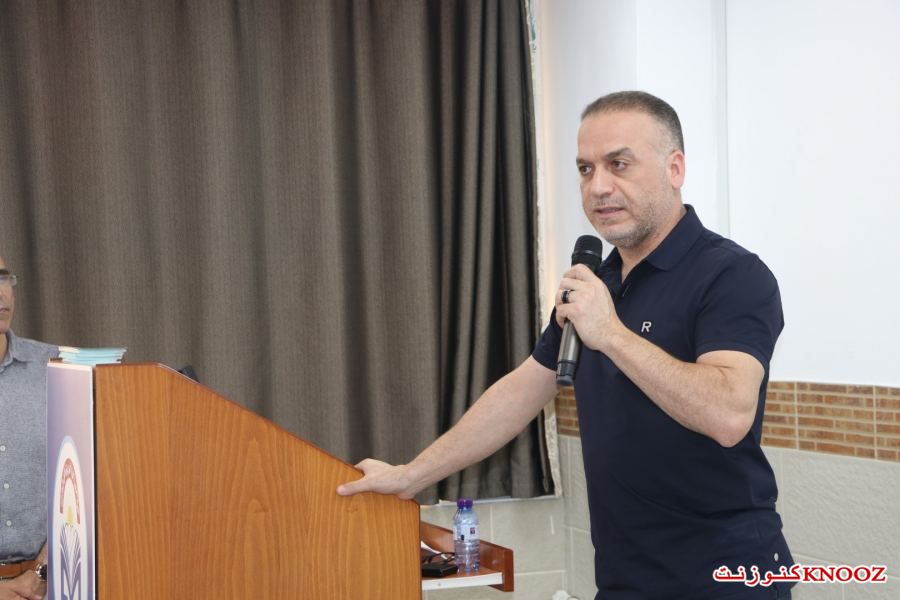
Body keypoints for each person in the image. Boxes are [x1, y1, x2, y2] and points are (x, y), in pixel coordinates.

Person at [337, 91, 793, 599]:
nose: (599, 187)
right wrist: (409, 476)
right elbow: (520, 393)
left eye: (619, 164)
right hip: (625, 581)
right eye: (585, 169)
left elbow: (729, 415)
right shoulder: (598, 284)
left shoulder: (732, 275)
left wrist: (611, 335)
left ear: (675, 168)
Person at [0, 256, 56, 600]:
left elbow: (91, 476)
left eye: (4, 278)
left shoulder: (55, 367)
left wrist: (42, 573)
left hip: (50, 584)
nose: (1, 293)